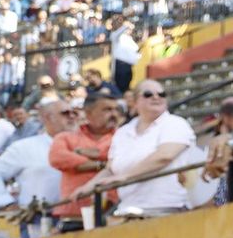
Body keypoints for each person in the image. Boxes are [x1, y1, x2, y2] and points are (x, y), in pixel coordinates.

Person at [74, 80, 196, 217]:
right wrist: (88, 187)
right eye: (148, 94)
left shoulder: (175, 123)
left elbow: (164, 156)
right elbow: (111, 169)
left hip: (169, 207)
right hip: (128, 210)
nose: (156, 97)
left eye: (162, 94)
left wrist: (125, 177)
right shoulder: (123, 132)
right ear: (135, 101)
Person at [0, 102, 68, 225]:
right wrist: (6, 202)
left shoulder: (85, 144)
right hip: (39, 219)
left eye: (74, 112)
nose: (72, 116)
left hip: (82, 216)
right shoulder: (25, 147)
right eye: (65, 113)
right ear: (47, 117)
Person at [49, 92, 118, 220]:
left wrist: (87, 155)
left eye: (116, 109)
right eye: (107, 109)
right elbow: (57, 158)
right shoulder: (65, 137)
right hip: (74, 212)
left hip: (114, 212)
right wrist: (102, 164)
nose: (114, 114)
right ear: (89, 113)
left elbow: (123, 159)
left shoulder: (124, 136)